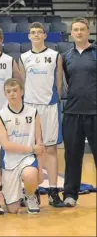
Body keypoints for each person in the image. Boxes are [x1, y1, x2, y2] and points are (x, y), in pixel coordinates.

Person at [19, 22, 64, 207]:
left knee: (51, 149)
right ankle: (32, 192)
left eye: (39, 32)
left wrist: (54, 100)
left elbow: (59, 84)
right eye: (33, 32)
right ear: (29, 36)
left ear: (45, 35)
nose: (36, 34)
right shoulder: (24, 57)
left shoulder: (54, 56)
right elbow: (22, 84)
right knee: (31, 151)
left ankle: (53, 192)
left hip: (49, 106)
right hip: (30, 107)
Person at [0, 78, 45, 214]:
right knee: (13, 210)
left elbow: (39, 143)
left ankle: (30, 195)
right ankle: (15, 195)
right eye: (8, 91)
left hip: (27, 158)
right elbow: (6, 145)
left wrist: (40, 170)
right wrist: (32, 149)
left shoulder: (33, 112)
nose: (12, 94)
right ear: (5, 94)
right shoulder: (0, 115)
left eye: (15, 90)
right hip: (9, 160)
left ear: (22, 91)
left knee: (30, 175)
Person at [62, 17, 96, 207]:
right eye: (75, 29)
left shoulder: (95, 53)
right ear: (71, 33)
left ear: (88, 31)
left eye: (82, 29)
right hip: (73, 112)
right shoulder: (66, 56)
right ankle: (70, 195)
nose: (79, 32)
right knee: (72, 155)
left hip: (95, 111)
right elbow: (67, 80)